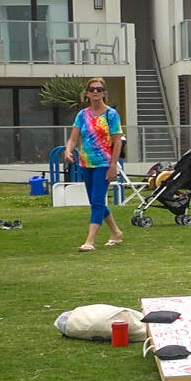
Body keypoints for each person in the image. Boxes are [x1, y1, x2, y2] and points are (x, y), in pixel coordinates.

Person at [61, 76, 126, 252]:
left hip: (104, 162)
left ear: (104, 92)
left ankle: (90, 240)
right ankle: (115, 232)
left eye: (99, 89)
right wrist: (68, 150)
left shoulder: (111, 115)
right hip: (85, 163)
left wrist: (113, 166)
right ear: (87, 93)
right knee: (95, 201)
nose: (95, 92)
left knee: (97, 200)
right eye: (92, 89)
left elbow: (117, 142)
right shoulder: (82, 114)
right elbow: (74, 138)